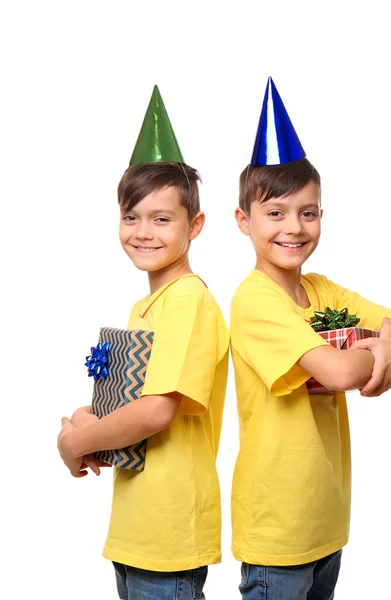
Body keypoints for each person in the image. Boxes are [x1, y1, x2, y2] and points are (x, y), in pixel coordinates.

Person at [230, 77, 391, 600]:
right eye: (275, 213)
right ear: (243, 221)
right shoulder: (254, 301)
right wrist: (383, 350)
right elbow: (338, 373)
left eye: (308, 212)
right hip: (278, 531)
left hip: (326, 521)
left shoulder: (323, 290)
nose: (294, 227)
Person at [57, 85, 229, 600]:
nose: (142, 231)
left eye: (161, 218)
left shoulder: (188, 301)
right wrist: (89, 416)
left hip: (170, 529)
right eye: (131, 216)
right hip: (139, 527)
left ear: (194, 226)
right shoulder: (147, 307)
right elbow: (133, 401)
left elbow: (156, 410)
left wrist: (75, 443)